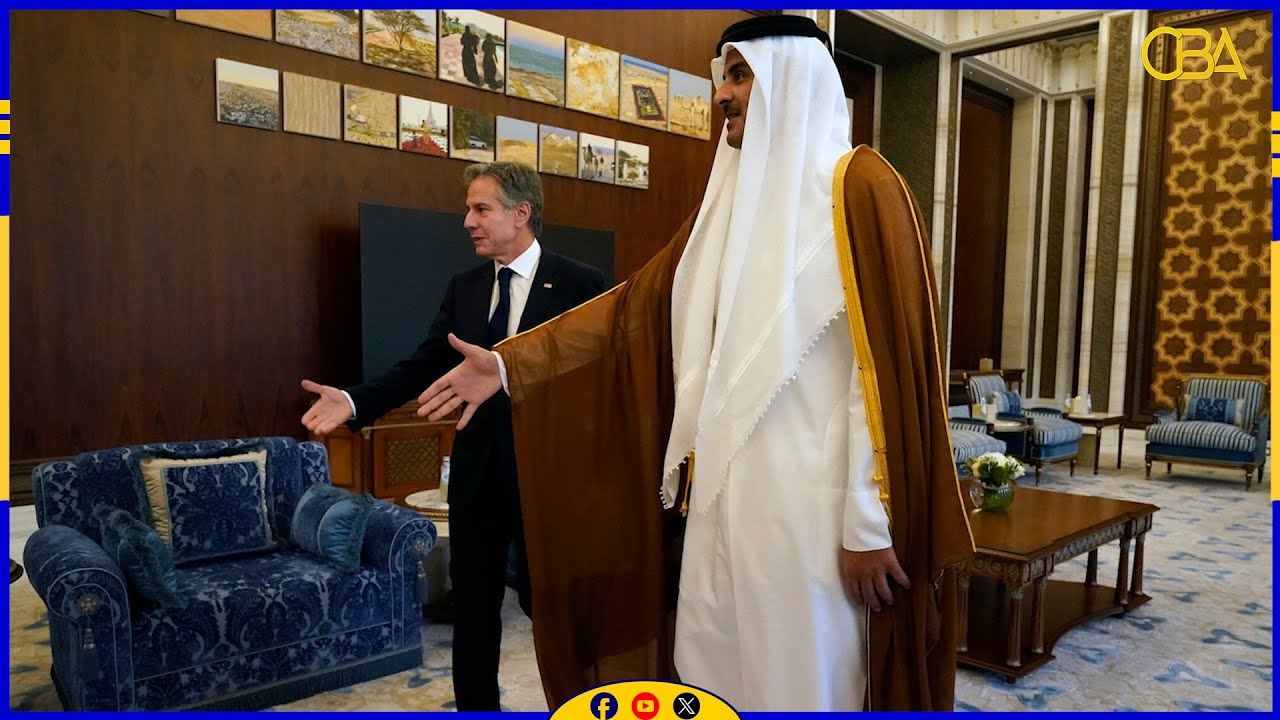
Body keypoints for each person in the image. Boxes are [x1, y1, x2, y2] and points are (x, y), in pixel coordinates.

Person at [416, 16, 973, 712]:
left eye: (740, 75)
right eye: (722, 77)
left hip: (813, 511)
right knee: (713, 667)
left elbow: (880, 376)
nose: (721, 95)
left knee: (801, 676)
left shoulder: (860, 187)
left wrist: (866, 522)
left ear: (791, 78)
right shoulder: (726, 203)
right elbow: (631, 313)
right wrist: (509, 366)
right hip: (719, 501)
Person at [300, 161, 606, 711]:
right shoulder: (465, 288)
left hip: (550, 475)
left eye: (481, 209)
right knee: (474, 610)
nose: (467, 221)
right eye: (468, 209)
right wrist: (355, 400)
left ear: (521, 213)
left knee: (554, 611)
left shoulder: (582, 283)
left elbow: (595, 374)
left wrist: (510, 376)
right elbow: (424, 364)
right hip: (478, 472)